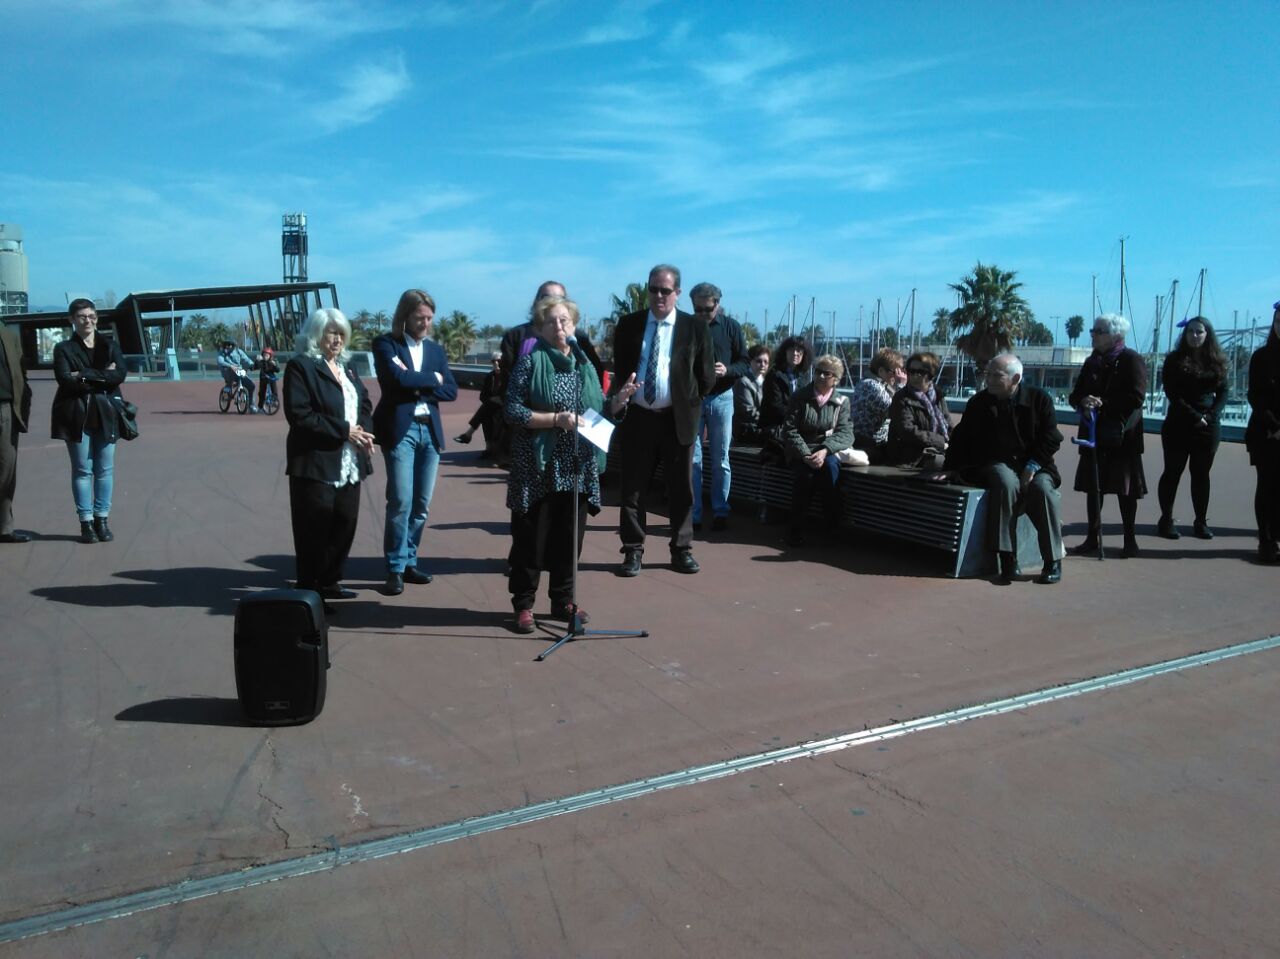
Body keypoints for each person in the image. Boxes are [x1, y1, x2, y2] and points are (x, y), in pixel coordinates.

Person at [504, 296, 624, 633]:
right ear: (540, 329)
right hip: (538, 467)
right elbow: (512, 410)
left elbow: (595, 412)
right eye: (552, 321)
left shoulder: (584, 365)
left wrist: (617, 402)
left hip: (577, 466)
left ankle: (563, 599)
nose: (559, 326)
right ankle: (524, 603)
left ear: (574, 325)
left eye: (565, 320)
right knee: (531, 539)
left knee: (569, 538)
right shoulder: (530, 363)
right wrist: (556, 419)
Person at [607, 263, 716, 576]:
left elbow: (707, 376)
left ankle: (681, 550)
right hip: (638, 418)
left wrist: (686, 400)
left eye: (665, 290)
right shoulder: (629, 325)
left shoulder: (695, 328)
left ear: (677, 293)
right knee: (632, 489)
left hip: (677, 419)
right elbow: (620, 367)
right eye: (653, 289)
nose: (658, 296)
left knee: (681, 489)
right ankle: (632, 550)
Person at [944, 353, 1065, 585]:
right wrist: (950, 468)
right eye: (987, 374)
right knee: (1005, 481)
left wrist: (1031, 467)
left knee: (1042, 490)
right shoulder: (979, 403)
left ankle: (1053, 561)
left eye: (996, 375)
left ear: (1015, 378)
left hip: (1036, 464)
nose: (988, 379)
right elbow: (961, 438)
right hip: (995, 463)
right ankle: (1008, 559)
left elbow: (1052, 438)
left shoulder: (1039, 399)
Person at [284, 309, 375, 603]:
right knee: (314, 531)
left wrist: (364, 432)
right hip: (316, 463)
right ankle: (310, 590)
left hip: (349, 463)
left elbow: (365, 404)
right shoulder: (301, 367)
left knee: (345, 523)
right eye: (331, 332)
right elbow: (300, 415)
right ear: (316, 334)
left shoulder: (348, 368)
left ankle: (330, 582)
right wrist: (345, 431)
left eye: (341, 333)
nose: (337, 339)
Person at [372, 289, 459, 596]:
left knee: (421, 504)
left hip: (429, 432)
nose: (426, 323)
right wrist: (433, 380)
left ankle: (410, 560)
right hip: (401, 430)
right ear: (405, 316)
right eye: (420, 317)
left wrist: (419, 382)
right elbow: (395, 380)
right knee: (401, 501)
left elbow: (451, 390)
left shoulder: (435, 351)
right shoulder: (386, 344)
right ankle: (395, 568)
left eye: (430, 318)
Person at [1067, 313, 1148, 558]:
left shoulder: (1131, 359)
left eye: (1099, 331)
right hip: (1094, 434)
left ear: (1115, 335)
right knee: (1094, 488)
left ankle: (1130, 540)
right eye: (1093, 330)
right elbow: (1075, 395)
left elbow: (1136, 397)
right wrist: (1083, 400)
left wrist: (1104, 403)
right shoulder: (1091, 362)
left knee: (1126, 491)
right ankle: (1092, 537)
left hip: (1122, 436)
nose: (1093, 335)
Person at [51, 299, 127, 544]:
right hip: (76, 414)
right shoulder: (63, 348)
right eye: (82, 316)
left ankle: (101, 519)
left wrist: (83, 374)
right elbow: (65, 380)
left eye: (92, 316)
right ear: (72, 319)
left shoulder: (110, 345)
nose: (88, 320)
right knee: (83, 469)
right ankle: (86, 522)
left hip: (107, 412)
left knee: (105, 469)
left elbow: (120, 375)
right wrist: (103, 376)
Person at [1155, 317, 1228, 540]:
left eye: (1199, 332)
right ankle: (1166, 519)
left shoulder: (1216, 361)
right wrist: (1195, 416)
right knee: (1172, 472)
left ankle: (1200, 522)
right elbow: (1172, 393)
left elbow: (1223, 392)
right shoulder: (1174, 360)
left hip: (1208, 427)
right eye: (1190, 332)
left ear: (1207, 334)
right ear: (1185, 334)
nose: (1194, 336)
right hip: (1179, 424)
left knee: (1201, 474)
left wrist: (1210, 416)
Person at [689, 282, 749, 532]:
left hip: (722, 397)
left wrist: (728, 370)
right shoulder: (687, 327)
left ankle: (720, 511)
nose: (703, 314)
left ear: (717, 304)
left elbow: (745, 363)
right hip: (694, 398)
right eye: (698, 309)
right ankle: (694, 514)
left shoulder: (731, 327)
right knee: (693, 460)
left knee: (720, 459)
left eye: (707, 309)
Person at [779, 355, 853, 547]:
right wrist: (805, 453)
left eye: (826, 373)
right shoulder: (800, 397)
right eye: (818, 371)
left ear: (836, 379)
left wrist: (825, 450)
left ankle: (832, 527)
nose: (820, 376)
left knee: (830, 470)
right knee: (805, 476)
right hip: (800, 449)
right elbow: (789, 430)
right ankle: (795, 530)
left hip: (826, 450)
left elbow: (846, 433)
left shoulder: (842, 401)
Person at [1245, 302, 1280, 563]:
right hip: (1266, 433)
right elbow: (1255, 396)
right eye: (1278, 321)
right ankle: (1266, 541)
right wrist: (1275, 426)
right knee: (1267, 487)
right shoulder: (1261, 357)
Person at [884, 351, 950, 470]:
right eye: (911, 371)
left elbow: (948, 423)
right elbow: (907, 431)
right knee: (947, 463)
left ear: (931, 374)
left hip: (936, 449)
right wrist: (941, 442)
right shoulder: (901, 398)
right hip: (911, 457)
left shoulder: (938, 395)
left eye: (920, 372)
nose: (915, 376)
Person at [0, 320, 32, 543]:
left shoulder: (7, 332)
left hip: (7, 408)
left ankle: (4, 527)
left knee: (7, 468)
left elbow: (20, 371)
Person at [849, 347, 905, 462]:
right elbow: (897, 411)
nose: (898, 376)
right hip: (869, 444)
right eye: (895, 372)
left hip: (872, 442)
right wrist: (901, 385)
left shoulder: (868, 382)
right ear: (881, 371)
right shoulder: (872, 386)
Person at [759, 336, 811, 460]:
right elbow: (775, 406)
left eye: (799, 350)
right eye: (792, 349)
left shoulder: (803, 377)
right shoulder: (774, 375)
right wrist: (800, 417)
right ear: (784, 352)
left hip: (794, 427)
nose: (795, 353)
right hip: (775, 427)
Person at [454, 351, 506, 457]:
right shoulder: (490, 376)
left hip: (505, 406)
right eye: (493, 361)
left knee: (485, 409)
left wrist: (498, 400)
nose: (496, 363)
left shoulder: (508, 376)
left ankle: (469, 435)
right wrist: (492, 400)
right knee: (486, 413)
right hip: (492, 406)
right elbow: (482, 396)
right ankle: (488, 447)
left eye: (499, 361)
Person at [733, 344, 770, 443]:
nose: (763, 364)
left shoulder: (766, 381)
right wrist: (769, 420)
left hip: (760, 427)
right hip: (746, 431)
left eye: (766, 362)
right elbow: (748, 411)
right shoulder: (743, 382)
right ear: (750, 361)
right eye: (759, 361)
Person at [217, 340, 258, 412]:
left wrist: (252, 365)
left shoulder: (239, 352)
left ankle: (251, 405)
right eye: (226, 344)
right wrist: (230, 366)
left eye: (230, 345)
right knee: (229, 384)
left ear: (233, 346)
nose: (228, 346)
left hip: (238, 371)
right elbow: (220, 361)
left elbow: (246, 359)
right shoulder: (222, 353)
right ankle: (227, 390)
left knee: (251, 386)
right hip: (227, 372)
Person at [256, 346, 280, 410]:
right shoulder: (261, 362)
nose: (265, 357)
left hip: (271, 377)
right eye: (264, 355)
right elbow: (256, 366)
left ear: (270, 356)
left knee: (274, 388)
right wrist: (257, 361)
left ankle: (275, 400)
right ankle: (260, 406)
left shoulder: (273, 361)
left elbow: (278, 370)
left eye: (267, 356)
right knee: (261, 392)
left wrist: (275, 365)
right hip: (263, 377)